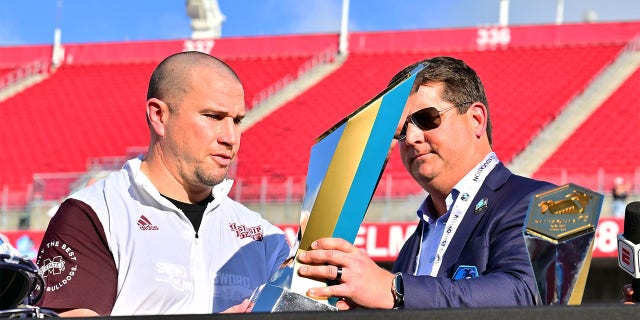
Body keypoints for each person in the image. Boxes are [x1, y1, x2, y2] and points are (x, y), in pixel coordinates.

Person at [35, 51, 291, 316]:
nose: (230, 137)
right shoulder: (95, 214)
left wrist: (330, 290)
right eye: (214, 116)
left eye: (237, 121)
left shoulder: (263, 237)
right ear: (159, 116)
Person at [296, 56, 555, 309]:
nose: (411, 138)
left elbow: (527, 294)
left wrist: (395, 289)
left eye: (426, 118)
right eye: (401, 132)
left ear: (476, 119)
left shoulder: (545, 202)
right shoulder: (412, 246)